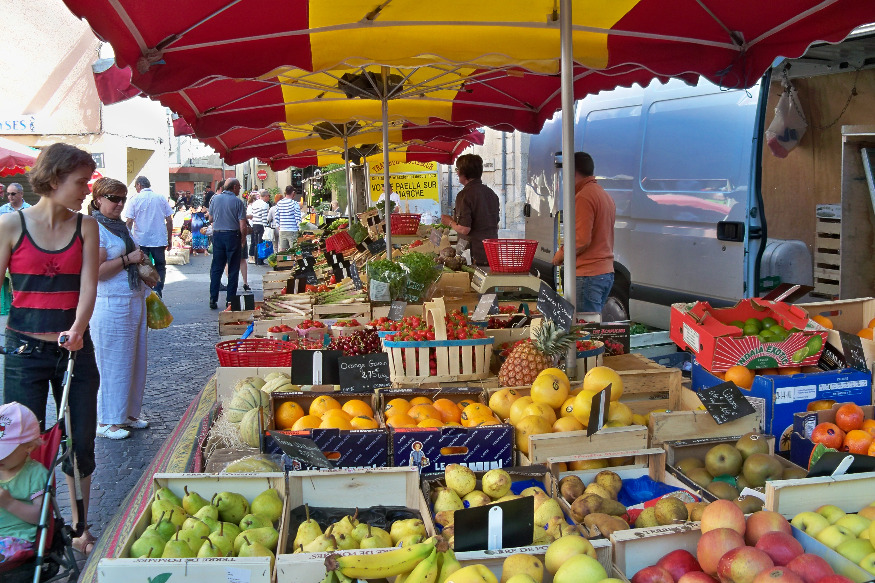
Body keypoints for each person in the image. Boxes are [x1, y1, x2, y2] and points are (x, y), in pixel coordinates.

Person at [0, 142, 100, 555]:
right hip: (23, 352)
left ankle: (78, 527)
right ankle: (30, 525)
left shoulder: (86, 227)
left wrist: (78, 328)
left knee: (80, 440)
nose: (86, 190)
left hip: (74, 351)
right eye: (81, 182)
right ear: (55, 179)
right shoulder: (11, 226)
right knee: (18, 444)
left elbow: (88, 286)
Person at [89, 178, 149, 440]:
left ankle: (127, 414)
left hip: (132, 299)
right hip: (111, 303)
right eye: (114, 198)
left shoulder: (120, 226)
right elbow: (97, 271)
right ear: (98, 199)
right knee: (113, 363)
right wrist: (128, 259)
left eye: (123, 198)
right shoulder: (96, 228)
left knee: (135, 361)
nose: (120, 204)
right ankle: (107, 420)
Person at [551, 151, 616, 314]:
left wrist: (560, 255)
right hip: (604, 272)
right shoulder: (603, 194)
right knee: (592, 324)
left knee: (584, 327)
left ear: (572, 172)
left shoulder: (583, 197)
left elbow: (580, 240)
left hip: (588, 275)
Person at [0, 402, 50, 563]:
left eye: (3, 452)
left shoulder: (35, 474)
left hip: (17, 538)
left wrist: (9, 504)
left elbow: (41, 516)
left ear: (29, 447)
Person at [441, 153, 500, 266]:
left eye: (457, 169)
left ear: (462, 173)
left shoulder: (465, 195)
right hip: (491, 252)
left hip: (473, 254)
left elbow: (464, 229)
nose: (457, 172)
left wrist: (449, 222)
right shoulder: (491, 194)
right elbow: (495, 225)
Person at [123, 176, 173, 298]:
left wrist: (127, 239)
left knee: (141, 265)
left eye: (136, 187)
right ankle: (158, 290)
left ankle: (145, 292)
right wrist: (169, 238)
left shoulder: (134, 199)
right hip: (159, 239)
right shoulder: (160, 198)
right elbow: (169, 220)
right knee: (160, 266)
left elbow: (129, 221)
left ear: (139, 185)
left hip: (141, 239)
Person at [207, 178, 247, 309]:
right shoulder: (238, 202)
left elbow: (210, 218)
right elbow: (242, 225)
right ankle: (230, 300)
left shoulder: (215, 199)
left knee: (217, 268)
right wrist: (243, 239)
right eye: (239, 187)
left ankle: (213, 298)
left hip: (218, 235)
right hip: (232, 236)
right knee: (233, 269)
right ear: (234, 187)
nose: (240, 189)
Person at [275, 186, 301, 252]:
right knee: (294, 250)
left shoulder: (279, 203)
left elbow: (276, 216)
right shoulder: (294, 203)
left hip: (282, 230)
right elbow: (297, 218)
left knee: (283, 251)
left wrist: (278, 226)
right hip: (293, 230)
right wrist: (300, 228)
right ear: (293, 192)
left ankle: (283, 259)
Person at [249, 190, 270, 265]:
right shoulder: (264, 204)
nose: (269, 198)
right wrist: (266, 227)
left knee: (256, 243)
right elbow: (264, 217)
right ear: (266, 196)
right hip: (261, 225)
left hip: (255, 224)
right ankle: (260, 260)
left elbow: (253, 214)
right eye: (268, 196)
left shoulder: (254, 203)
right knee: (261, 243)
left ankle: (256, 259)